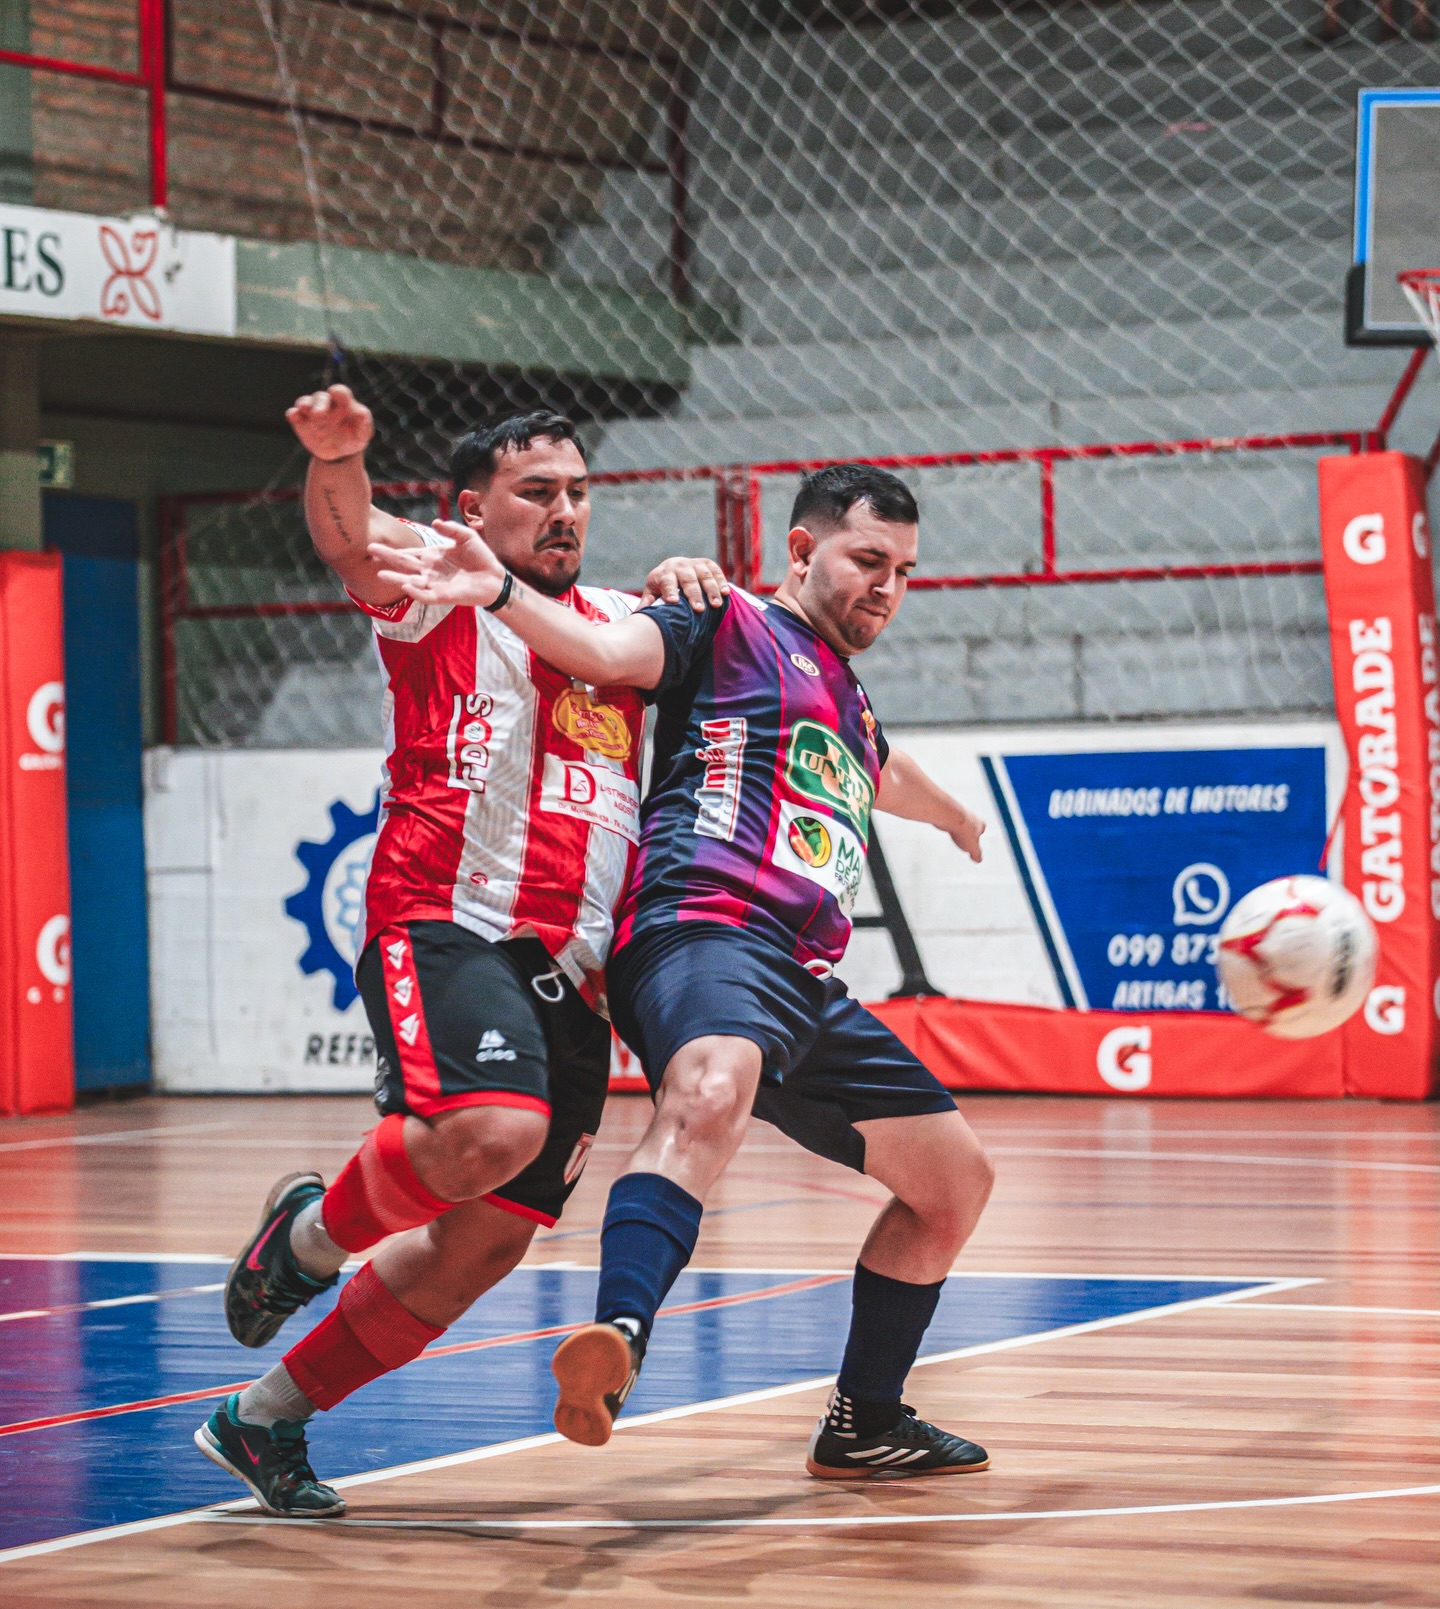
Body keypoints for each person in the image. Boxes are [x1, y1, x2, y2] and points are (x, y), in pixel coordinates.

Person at [367, 463, 997, 1481]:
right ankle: (618, 1338)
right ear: (803, 550)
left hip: (798, 979)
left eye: (905, 571)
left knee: (954, 1185)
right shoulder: (722, 621)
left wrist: (957, 815)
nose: (887, 586)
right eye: (868, 560)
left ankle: (863, 1421)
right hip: (698, 932)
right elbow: (605, 648)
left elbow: (881, 767)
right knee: (711, 1090)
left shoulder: (846, 692)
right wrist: (497, 591)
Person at [196, 385, 727, 1517]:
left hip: (573, 972)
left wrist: (696, 572)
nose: (565, 509)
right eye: (536, 492)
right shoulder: (437, 585)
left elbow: (700, 634)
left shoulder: (612, 623)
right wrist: (341, 459)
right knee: (489, 1129)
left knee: (484, 1246)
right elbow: (348, 533)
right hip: (453, 915)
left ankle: (264, 1422)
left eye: (579, 492)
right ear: (471, 511)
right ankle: (300, 1242)